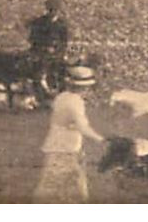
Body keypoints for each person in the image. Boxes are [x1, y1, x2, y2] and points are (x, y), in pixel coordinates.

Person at [33, 65, 105, 202]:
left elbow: (67, 122)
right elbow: (83, 127)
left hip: (58, 145)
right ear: (84, 87)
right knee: (59, 187)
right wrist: (101, 139)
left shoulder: (61, 97)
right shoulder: (75, 102)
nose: (89, 91)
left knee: (63, 186)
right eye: (88, 88)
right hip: (65, 149)